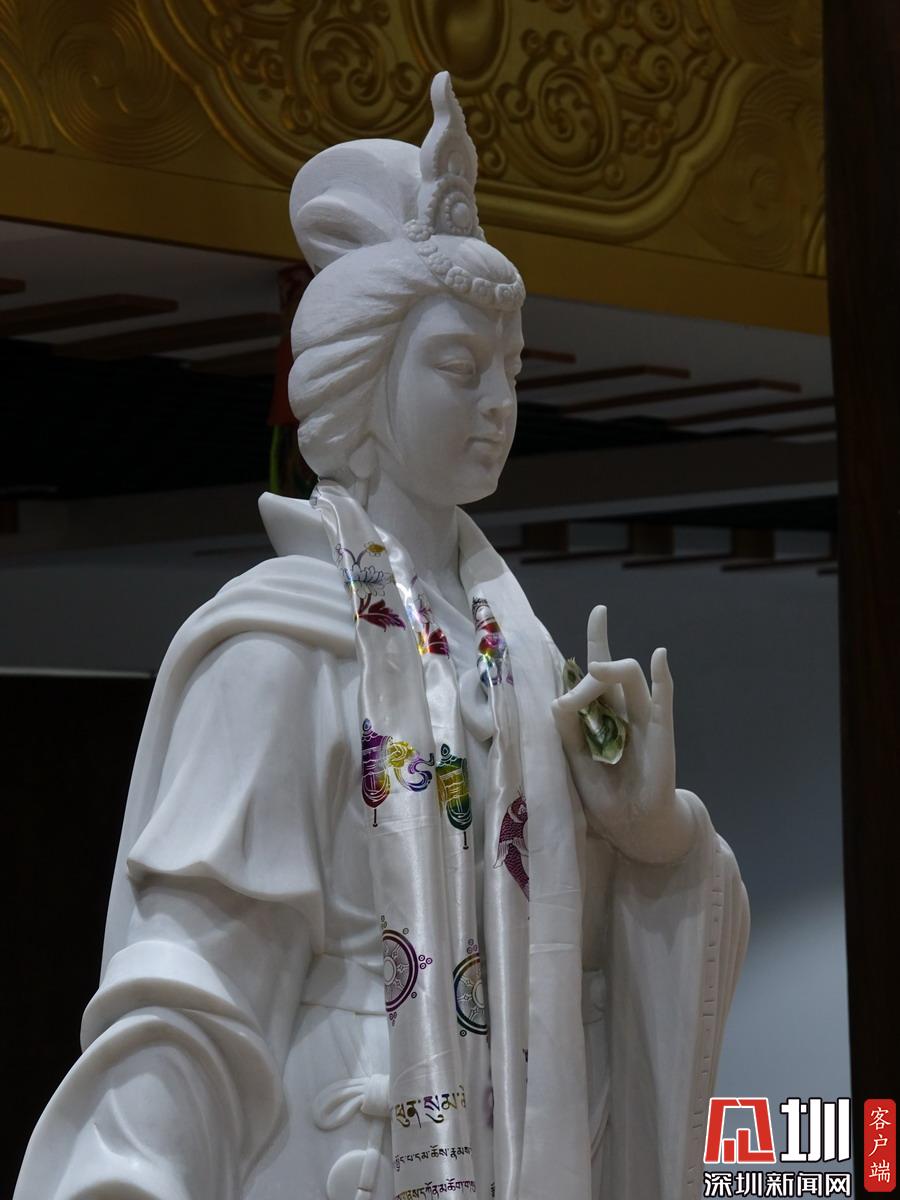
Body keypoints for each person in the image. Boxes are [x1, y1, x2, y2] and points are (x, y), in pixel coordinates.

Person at [14, 73, 748, 1200]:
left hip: (521, 1142)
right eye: (459, 367)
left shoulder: (521, 657)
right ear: (363, 376)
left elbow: (570, 963)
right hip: (342, 1143)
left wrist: (649, 839)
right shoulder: (280, 643)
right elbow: (195, 983)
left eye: (511, 371)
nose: (498, 402)